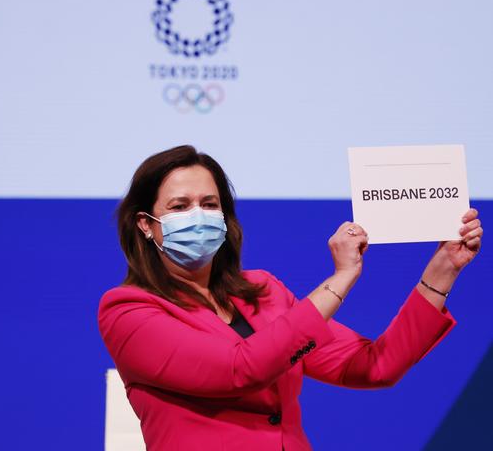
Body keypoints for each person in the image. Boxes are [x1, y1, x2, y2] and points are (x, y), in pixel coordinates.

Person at [97, 145, 483, 451]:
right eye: (180, 207)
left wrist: (444, 268)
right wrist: (343, 277)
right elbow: (239, 370)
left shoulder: (262, 290)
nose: (198, 216)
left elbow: (372, 366)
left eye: (210, 204)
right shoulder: (128, 310)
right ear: (146, 224)